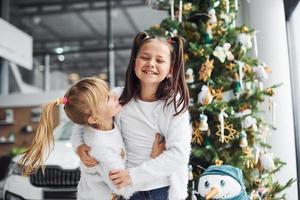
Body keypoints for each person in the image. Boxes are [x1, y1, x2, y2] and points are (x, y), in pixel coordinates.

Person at [73, 32, 192, 200]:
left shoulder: (173, 104)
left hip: (160, 189)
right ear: (135, 61)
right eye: (145, 57)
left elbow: (179, 154)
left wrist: (133, 175)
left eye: (159, 60)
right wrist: (79, 146)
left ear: (170, 70)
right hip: (125, 191)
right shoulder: (118, 97)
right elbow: (86, 120)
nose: (151, 64)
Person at [19, 77, 165, 200]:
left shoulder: (98, 124)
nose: (115, 96)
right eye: (108, 98)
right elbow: (123, 187)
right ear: (94, 117)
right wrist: (153, 160)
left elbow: (80, 128)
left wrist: (78, 146)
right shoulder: (102, 148)